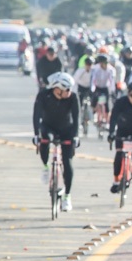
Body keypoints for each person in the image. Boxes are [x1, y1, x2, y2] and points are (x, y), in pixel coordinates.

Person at [32, 72, 80, 211]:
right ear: (57, 89)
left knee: (67, 162)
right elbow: (36, 115)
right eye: (67, 89)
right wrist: (36, 134)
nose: (69, 92)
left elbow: (76, 118)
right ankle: (46, 166)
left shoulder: (73, 98)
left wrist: (76, 136)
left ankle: (67, 196)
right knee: (45, 140)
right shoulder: (43, 95)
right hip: (49, 127)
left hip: (66, 130)